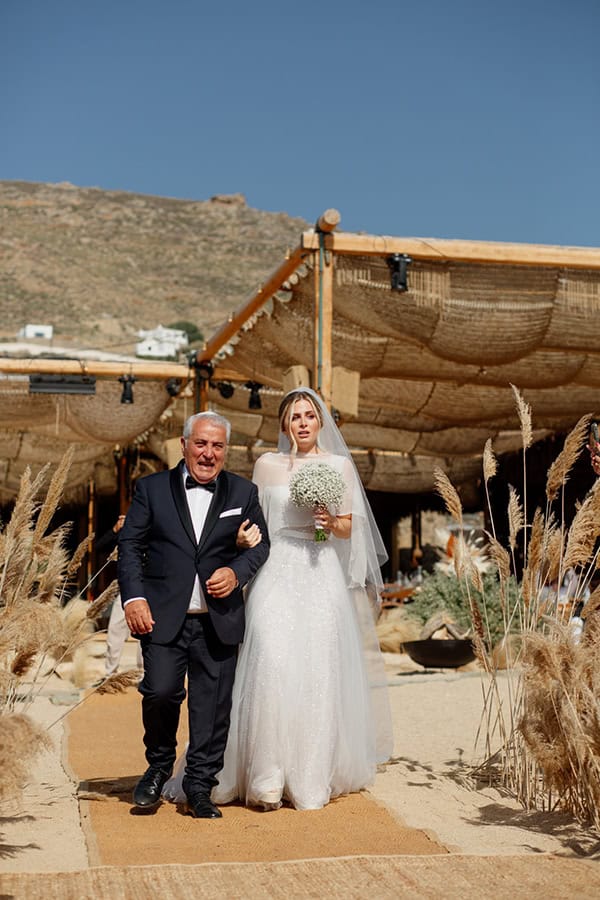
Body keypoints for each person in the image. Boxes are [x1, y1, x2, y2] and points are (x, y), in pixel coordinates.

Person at [164, 387, 393, 811]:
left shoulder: (339, 466)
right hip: (274, 571)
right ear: (285, 425)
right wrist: (241, 537)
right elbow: (250, 518)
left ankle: (307, 777)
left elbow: (348, 529)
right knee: (268, 659)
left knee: (316, 669)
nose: (302, 423)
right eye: (294, 417)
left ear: (320, 421)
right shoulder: (266, 465)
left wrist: (327, 522)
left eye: (309, 415)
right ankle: (264, 776)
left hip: (320, 571)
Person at [117, 410, 270, 819]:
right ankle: (159, 765)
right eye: (200, 443)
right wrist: (134, 599)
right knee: (160, 692)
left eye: (217, 446)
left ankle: (200, 785)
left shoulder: (243, 492)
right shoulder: (150, 490)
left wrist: (236, 573)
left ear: (226, 450)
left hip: (218, 621)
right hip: (163, 617)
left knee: (214, 707)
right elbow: (130, 546)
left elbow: (260, 546)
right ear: (184, 445)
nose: (208, 453)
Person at [95, 512, 143, 677]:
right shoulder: (127, 527)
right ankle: (110, 673)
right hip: (127, 587)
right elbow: (99, 547)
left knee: (146, 631)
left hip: (151, 586)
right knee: (115, 629)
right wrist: (115, 530)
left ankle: (145, 674)